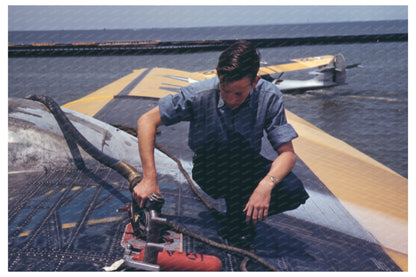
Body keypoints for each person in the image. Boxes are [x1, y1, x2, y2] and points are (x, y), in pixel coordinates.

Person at [132, 40, 309, 248]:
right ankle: (239, 219)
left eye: (239, 94)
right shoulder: (199, 94)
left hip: (245, 162)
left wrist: (265, 186)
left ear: (255, 82)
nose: (231, 99)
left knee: (293, 191)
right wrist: (149, 178)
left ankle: (240, 216)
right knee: (232, 161)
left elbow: (287, 154)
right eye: (226, 91)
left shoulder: (270, 96)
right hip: (211, 169)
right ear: (218, 76)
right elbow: (146, 120)